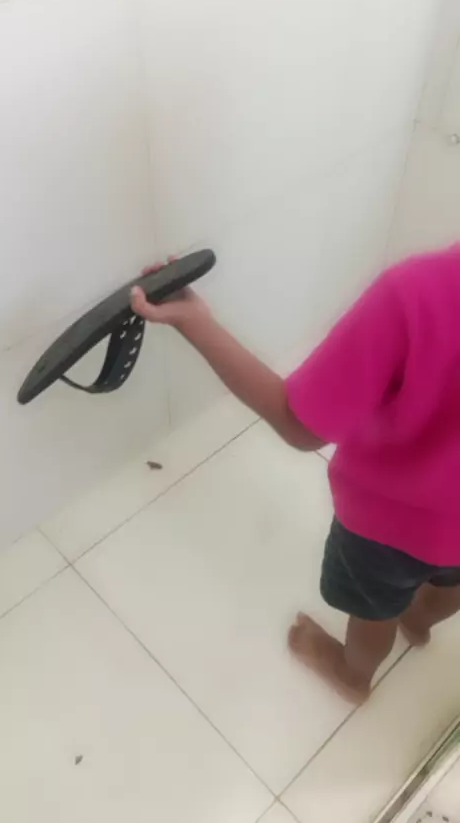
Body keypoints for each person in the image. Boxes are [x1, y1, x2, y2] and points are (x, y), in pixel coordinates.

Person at [130, 245, 460, 705]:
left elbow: (300, 425)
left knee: (374, 610)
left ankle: (353, 676)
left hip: (387, 527)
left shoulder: (418, 293)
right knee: (451, 582)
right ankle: (420, 622)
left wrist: (195, 322)